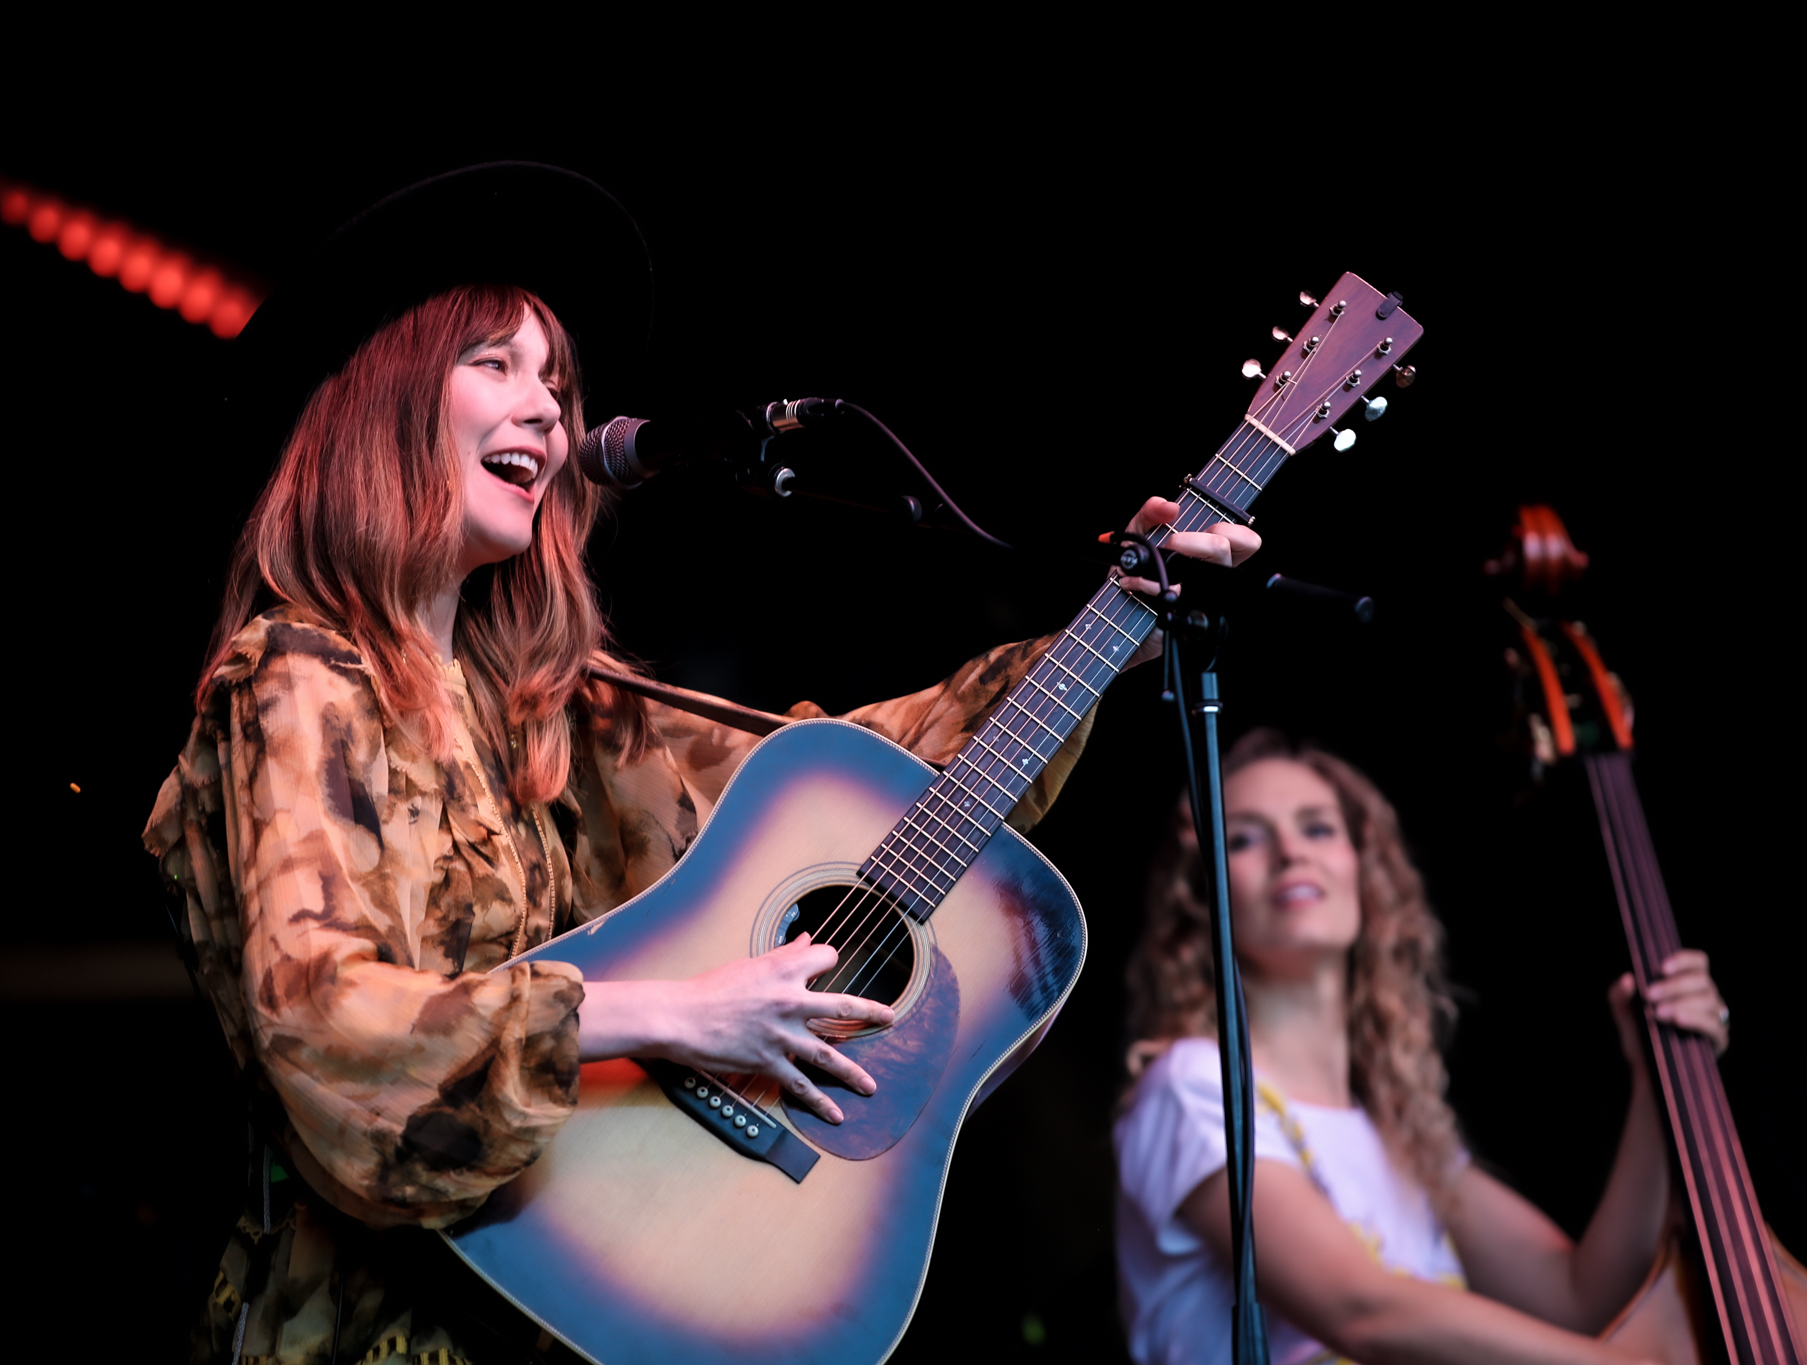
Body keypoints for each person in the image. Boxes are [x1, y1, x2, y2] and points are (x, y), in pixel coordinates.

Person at [144, 163, 1258, 1364]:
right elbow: (321, 1021)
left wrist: (1110, 627)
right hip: (347, 1334)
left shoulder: (549, 711)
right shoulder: (299, 667)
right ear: (385, 399)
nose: (549, 414)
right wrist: (678, 1016)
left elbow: (856, 784)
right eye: (497, 365)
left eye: (559, 386)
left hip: (539, 1316)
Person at [1111, 728, 1731, 1364]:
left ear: (1364, 869)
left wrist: (1660, 1079)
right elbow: (1361, 1311)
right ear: (1203, 897)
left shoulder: (1399, 1136)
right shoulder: (1190, 1086)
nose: (1290, 852)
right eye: (1243, 837)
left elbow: (1580, 1296)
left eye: (1318, 828)